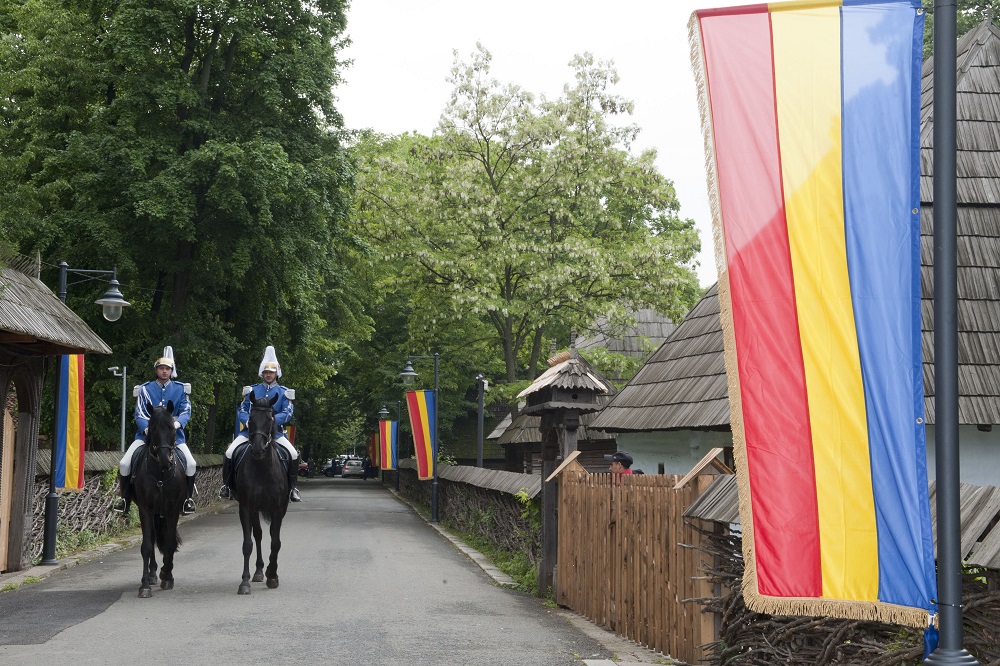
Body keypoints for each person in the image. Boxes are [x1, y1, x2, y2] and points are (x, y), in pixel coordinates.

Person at [113, 347, 196, 514]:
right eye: (161, 368)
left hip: (174, 438)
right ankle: (124, 499)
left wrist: (177, 425)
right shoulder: (145, 389)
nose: (164, 371)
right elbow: (140, 414)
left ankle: (187, 499)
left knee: (192, 464)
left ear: (172, 371)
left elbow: (186, 411)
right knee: (124, 463)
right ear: (156, 370)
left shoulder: (180, 389)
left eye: (167, 369)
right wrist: (146, 430)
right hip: (145, 437)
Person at [219, 346, 301, 502]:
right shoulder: (252, 390)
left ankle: (292, 489)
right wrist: (248, 422)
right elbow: (242, 410)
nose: (268, 375)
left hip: (275, 432)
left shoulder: (284, 392)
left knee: (293, 454)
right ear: (262, 373)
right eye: (266, 372)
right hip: (250, 432)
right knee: (230, 452)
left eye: (271, 372)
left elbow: (288, 412)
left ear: (277, 373)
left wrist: (272, 421)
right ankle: (227, 487)